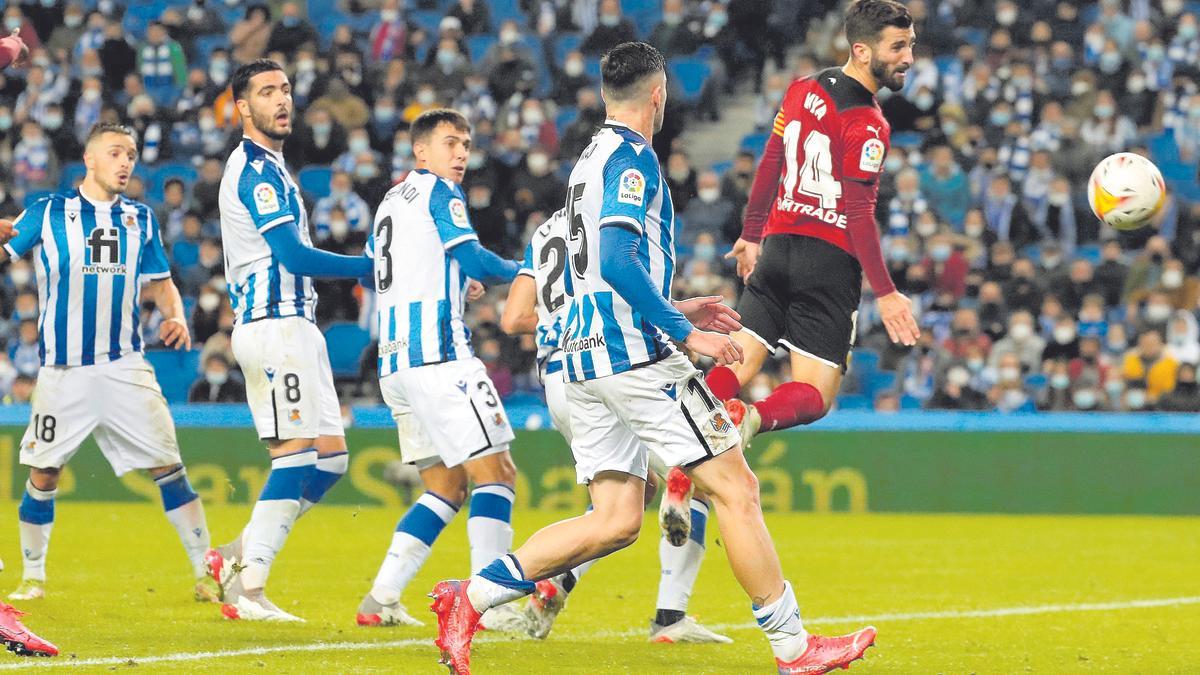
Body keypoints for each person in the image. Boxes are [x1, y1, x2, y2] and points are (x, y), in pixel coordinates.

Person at [430, 42, 876, 675]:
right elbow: (613, 258)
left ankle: (469, 599)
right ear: (658, 94)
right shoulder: (633, 159)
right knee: (737, 488)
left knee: (614, 520)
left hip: (581, 361)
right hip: (634, 360)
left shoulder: (587, 160)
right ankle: (795, 648)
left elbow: (603, 270)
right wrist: (680, 331)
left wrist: (679, 306)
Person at [0, 123, 217, 607]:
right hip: (63, 371)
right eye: (116, 153)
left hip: (124, 366)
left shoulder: (141, 218)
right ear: (90, 159)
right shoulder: (49, 211)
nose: (126, 163)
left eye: (133, 155)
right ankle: (33, 577)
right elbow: (5, 245)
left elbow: (160, 283)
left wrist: (176, 315)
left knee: (170, 466)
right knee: (44, 473)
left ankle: (207, 571)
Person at [497, 210, 729, 643]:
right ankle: (669, 615)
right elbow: (629, 294)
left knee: (626, 499)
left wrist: (558, 322)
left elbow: (512, 320)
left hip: (556, 380)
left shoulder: (545, 231)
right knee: (699, 470)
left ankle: (552, 586)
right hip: (608, 362)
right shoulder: (612, 218)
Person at [205, 60, 374, 622]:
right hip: (272, 325)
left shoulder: (276, 167)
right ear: (243, 108)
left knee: (330, 462)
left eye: (285, 89)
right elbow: (295, 257)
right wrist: (367, 267)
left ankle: (234, 556)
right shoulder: (254, 169)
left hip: (298, 327)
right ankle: (249, 592)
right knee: (295, 455)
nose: (281, 100)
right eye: (266, 92)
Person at [713, 0, 921, 449]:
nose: (908, 58)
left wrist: (751, 234)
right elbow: (859, 212)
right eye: (898, 47)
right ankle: (750, 417)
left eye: (911, 45)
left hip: (777, 247)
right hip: (827, 262)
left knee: (735, 366)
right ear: (862, 51)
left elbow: (771, 159)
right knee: (816, 393)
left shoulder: (802, 88)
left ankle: (681, 444)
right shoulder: (868, 124)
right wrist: (886, 294)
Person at [355, 109, 528, 632]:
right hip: (440, 358)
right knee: (497, 476)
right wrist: (530, 272)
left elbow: (381, 269)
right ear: (421, 152)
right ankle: (488, 608)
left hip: (396, 365)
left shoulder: (390, 200)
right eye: (450, 143)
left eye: (467, 145)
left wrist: (455, 278)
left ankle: (380, 598)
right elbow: (472, 257)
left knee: (446, 486)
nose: (461, 154)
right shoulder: (439, 191)